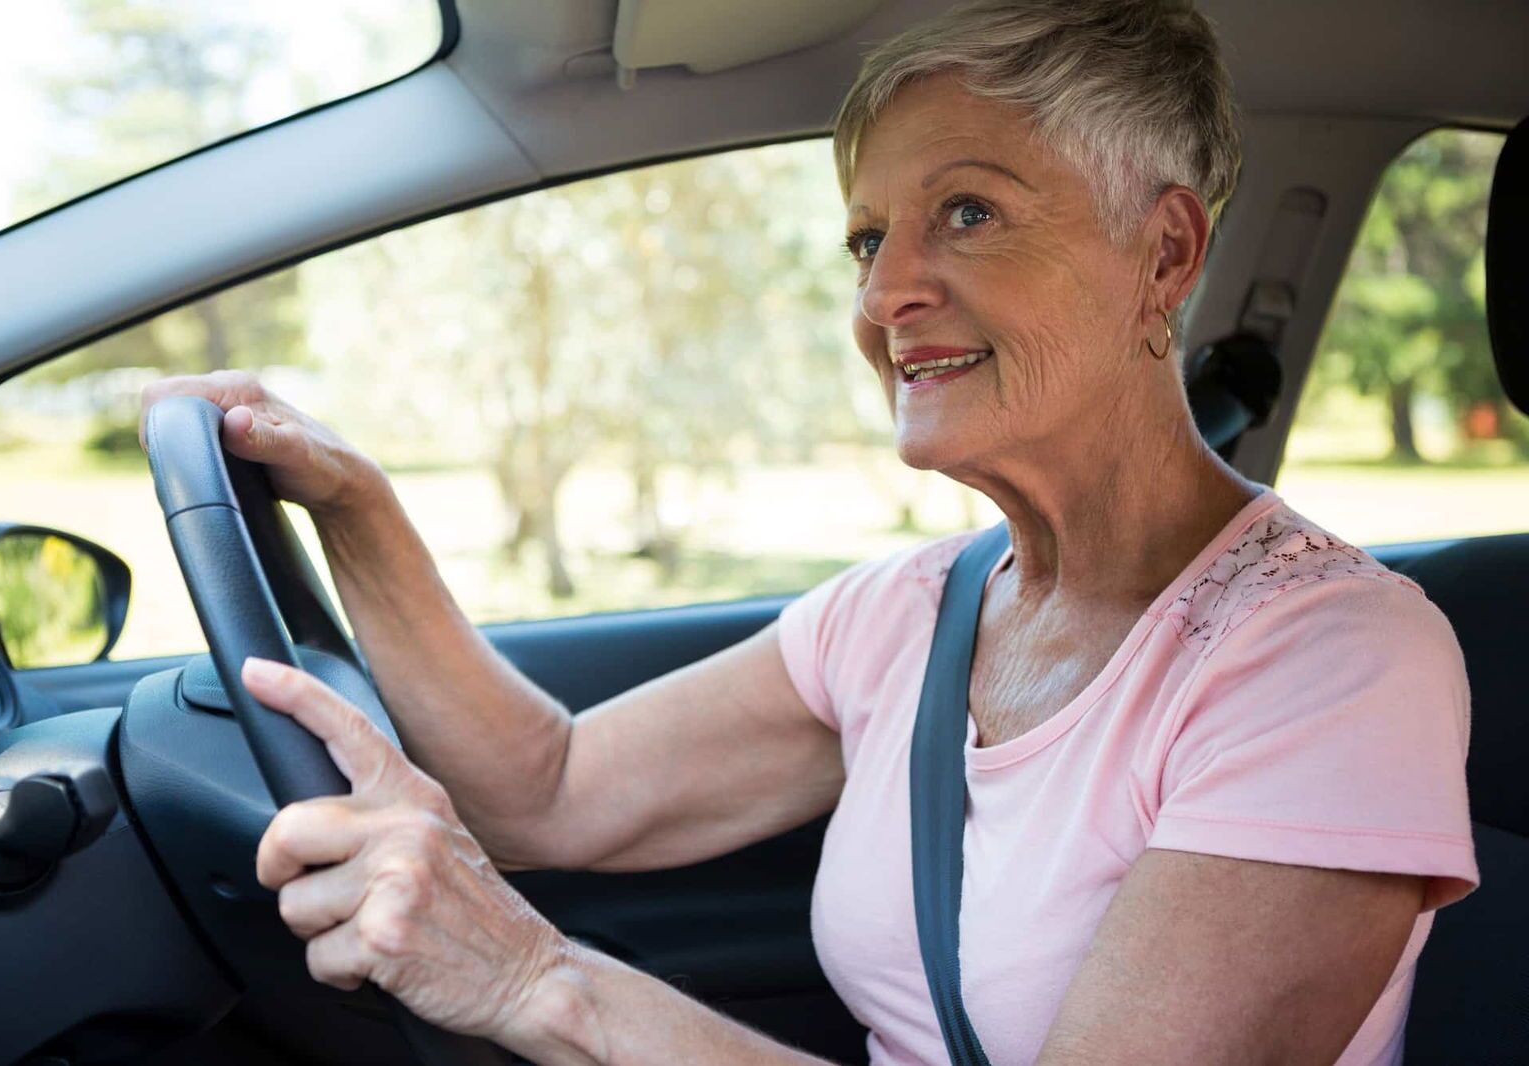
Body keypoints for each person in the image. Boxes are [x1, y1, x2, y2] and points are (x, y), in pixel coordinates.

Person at [140, 1, 1477, 1062]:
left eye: (968, 213)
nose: (886, 294)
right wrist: (357, 507)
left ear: (1166, 254)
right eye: (866, 239)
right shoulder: (907, 613)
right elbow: (550, 788)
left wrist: (539, 979)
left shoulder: (1331, 664)